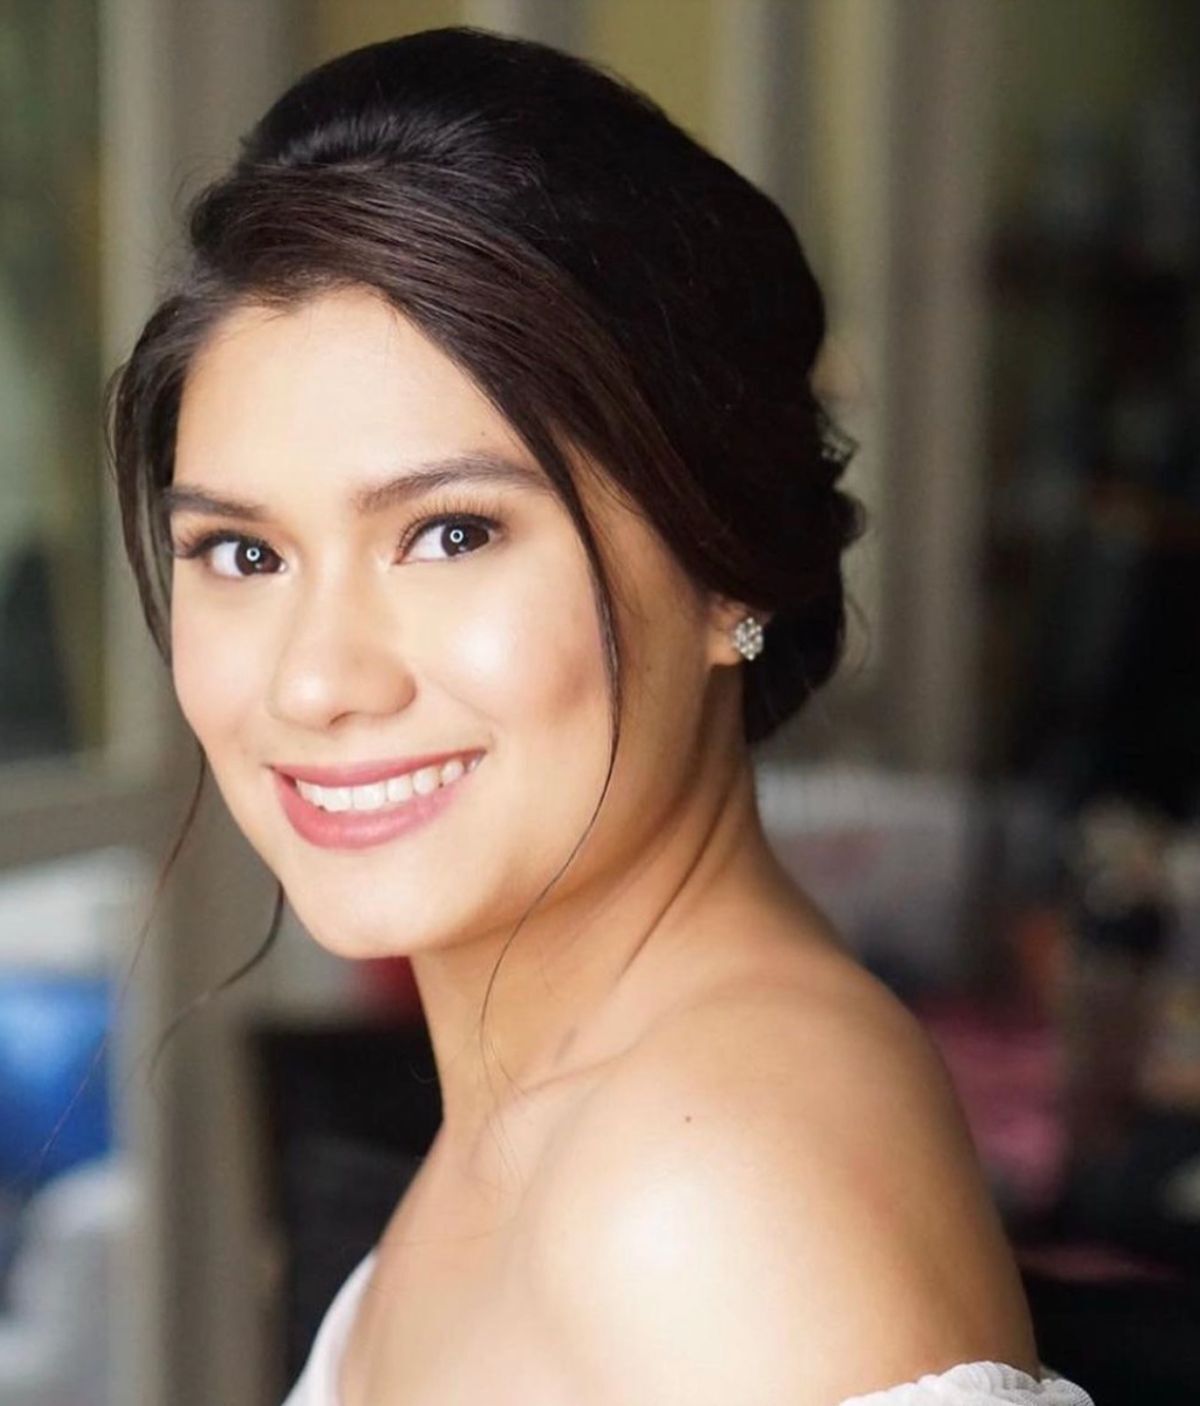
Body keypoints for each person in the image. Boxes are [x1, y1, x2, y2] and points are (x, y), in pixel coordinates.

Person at [107, 26, 1095, 1406]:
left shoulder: (705, 1197)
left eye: (451, 533)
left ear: (724, 560)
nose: (315, 679)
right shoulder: (580, 1101)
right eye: (246, 554)